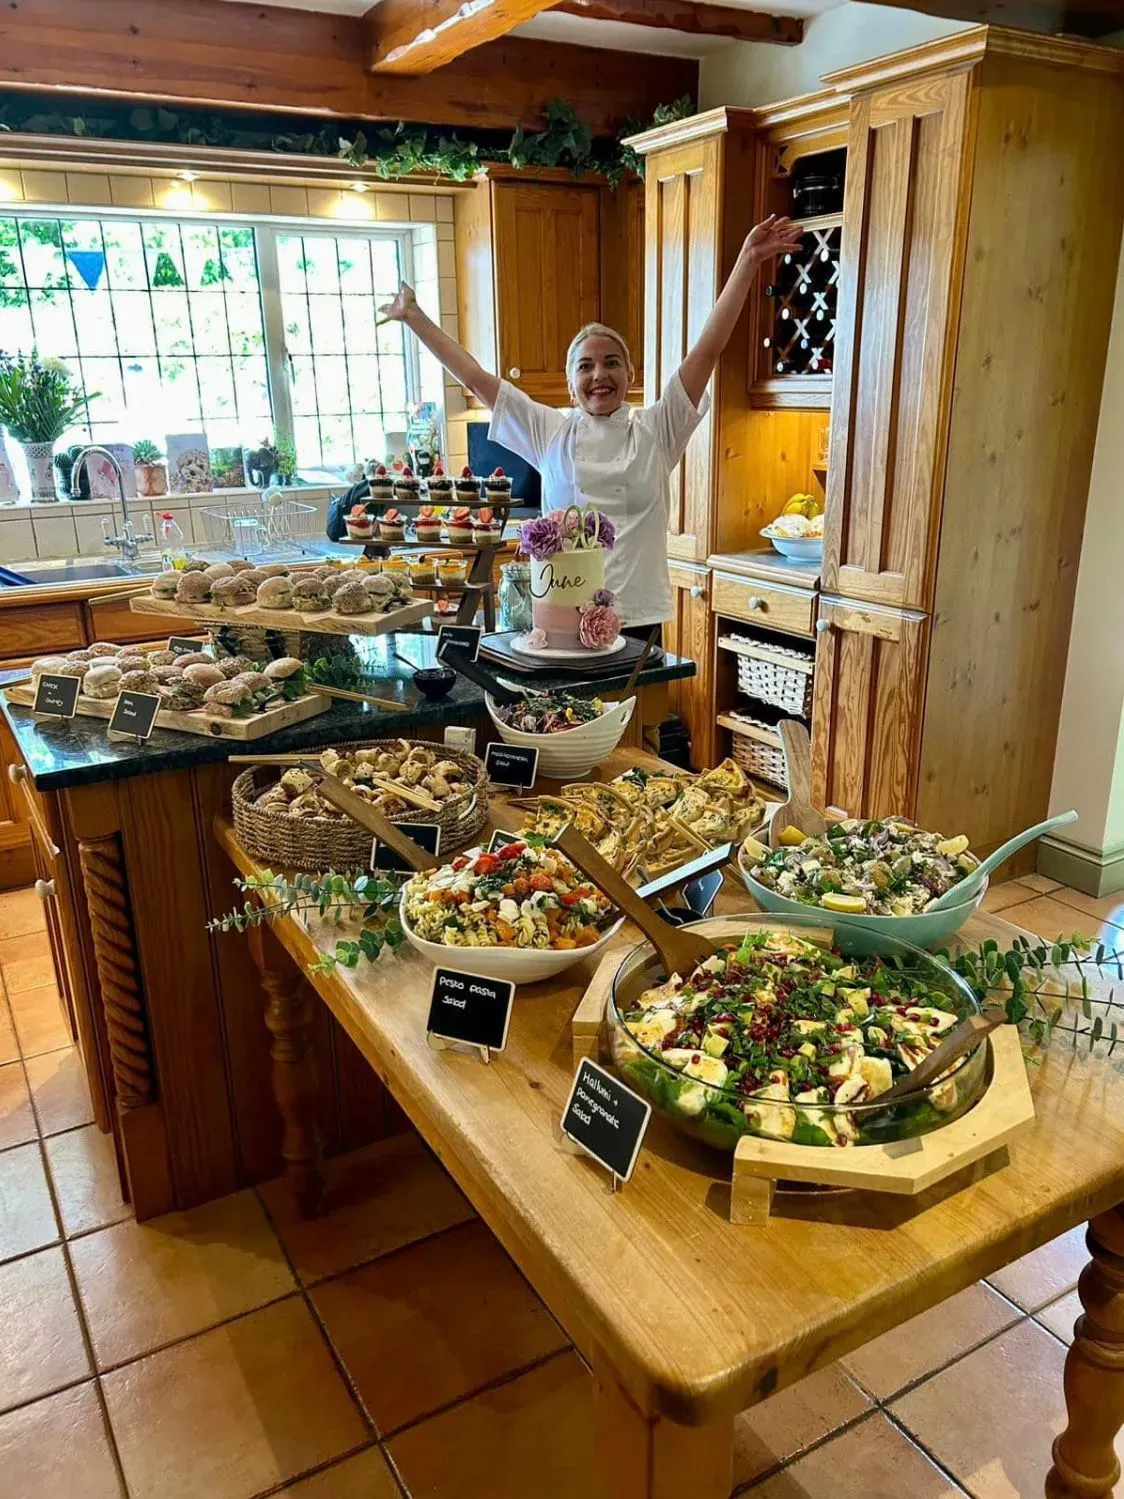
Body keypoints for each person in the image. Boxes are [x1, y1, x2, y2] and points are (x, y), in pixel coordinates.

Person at [378, 213, 803, 634]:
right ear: (570, 383)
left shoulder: (658, 430)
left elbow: (707, 352)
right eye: (586, 366)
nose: (599, 375)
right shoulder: (550, 432)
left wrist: (748, 259)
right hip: (564, 617)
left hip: (638, 616)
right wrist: (415, 318)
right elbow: (474, 377)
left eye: (611, 363)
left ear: (630, 375)